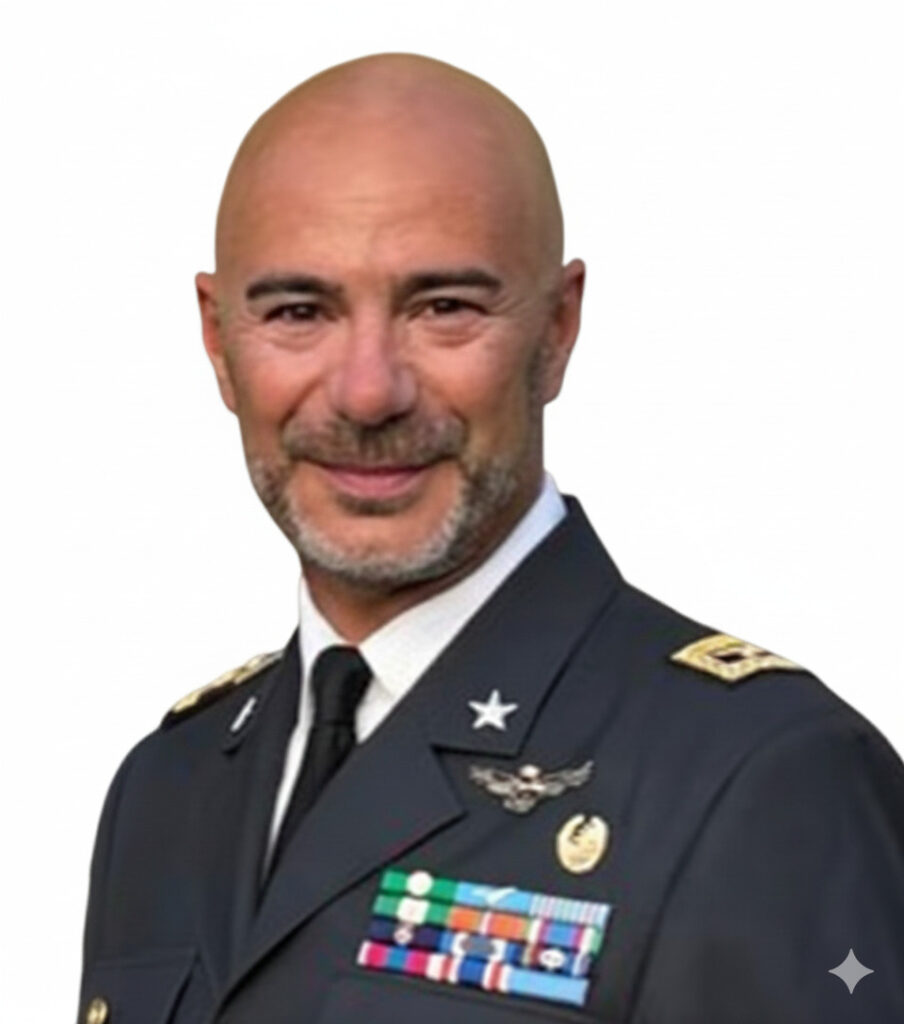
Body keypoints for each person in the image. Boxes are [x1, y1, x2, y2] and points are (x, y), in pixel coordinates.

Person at [76, 52, 904, 1024]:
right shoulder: (165, 790)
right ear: (219, 343)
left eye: (444, 309)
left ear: (556, 330)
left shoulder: (762, 779)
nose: (368, 392)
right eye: (299, 312)